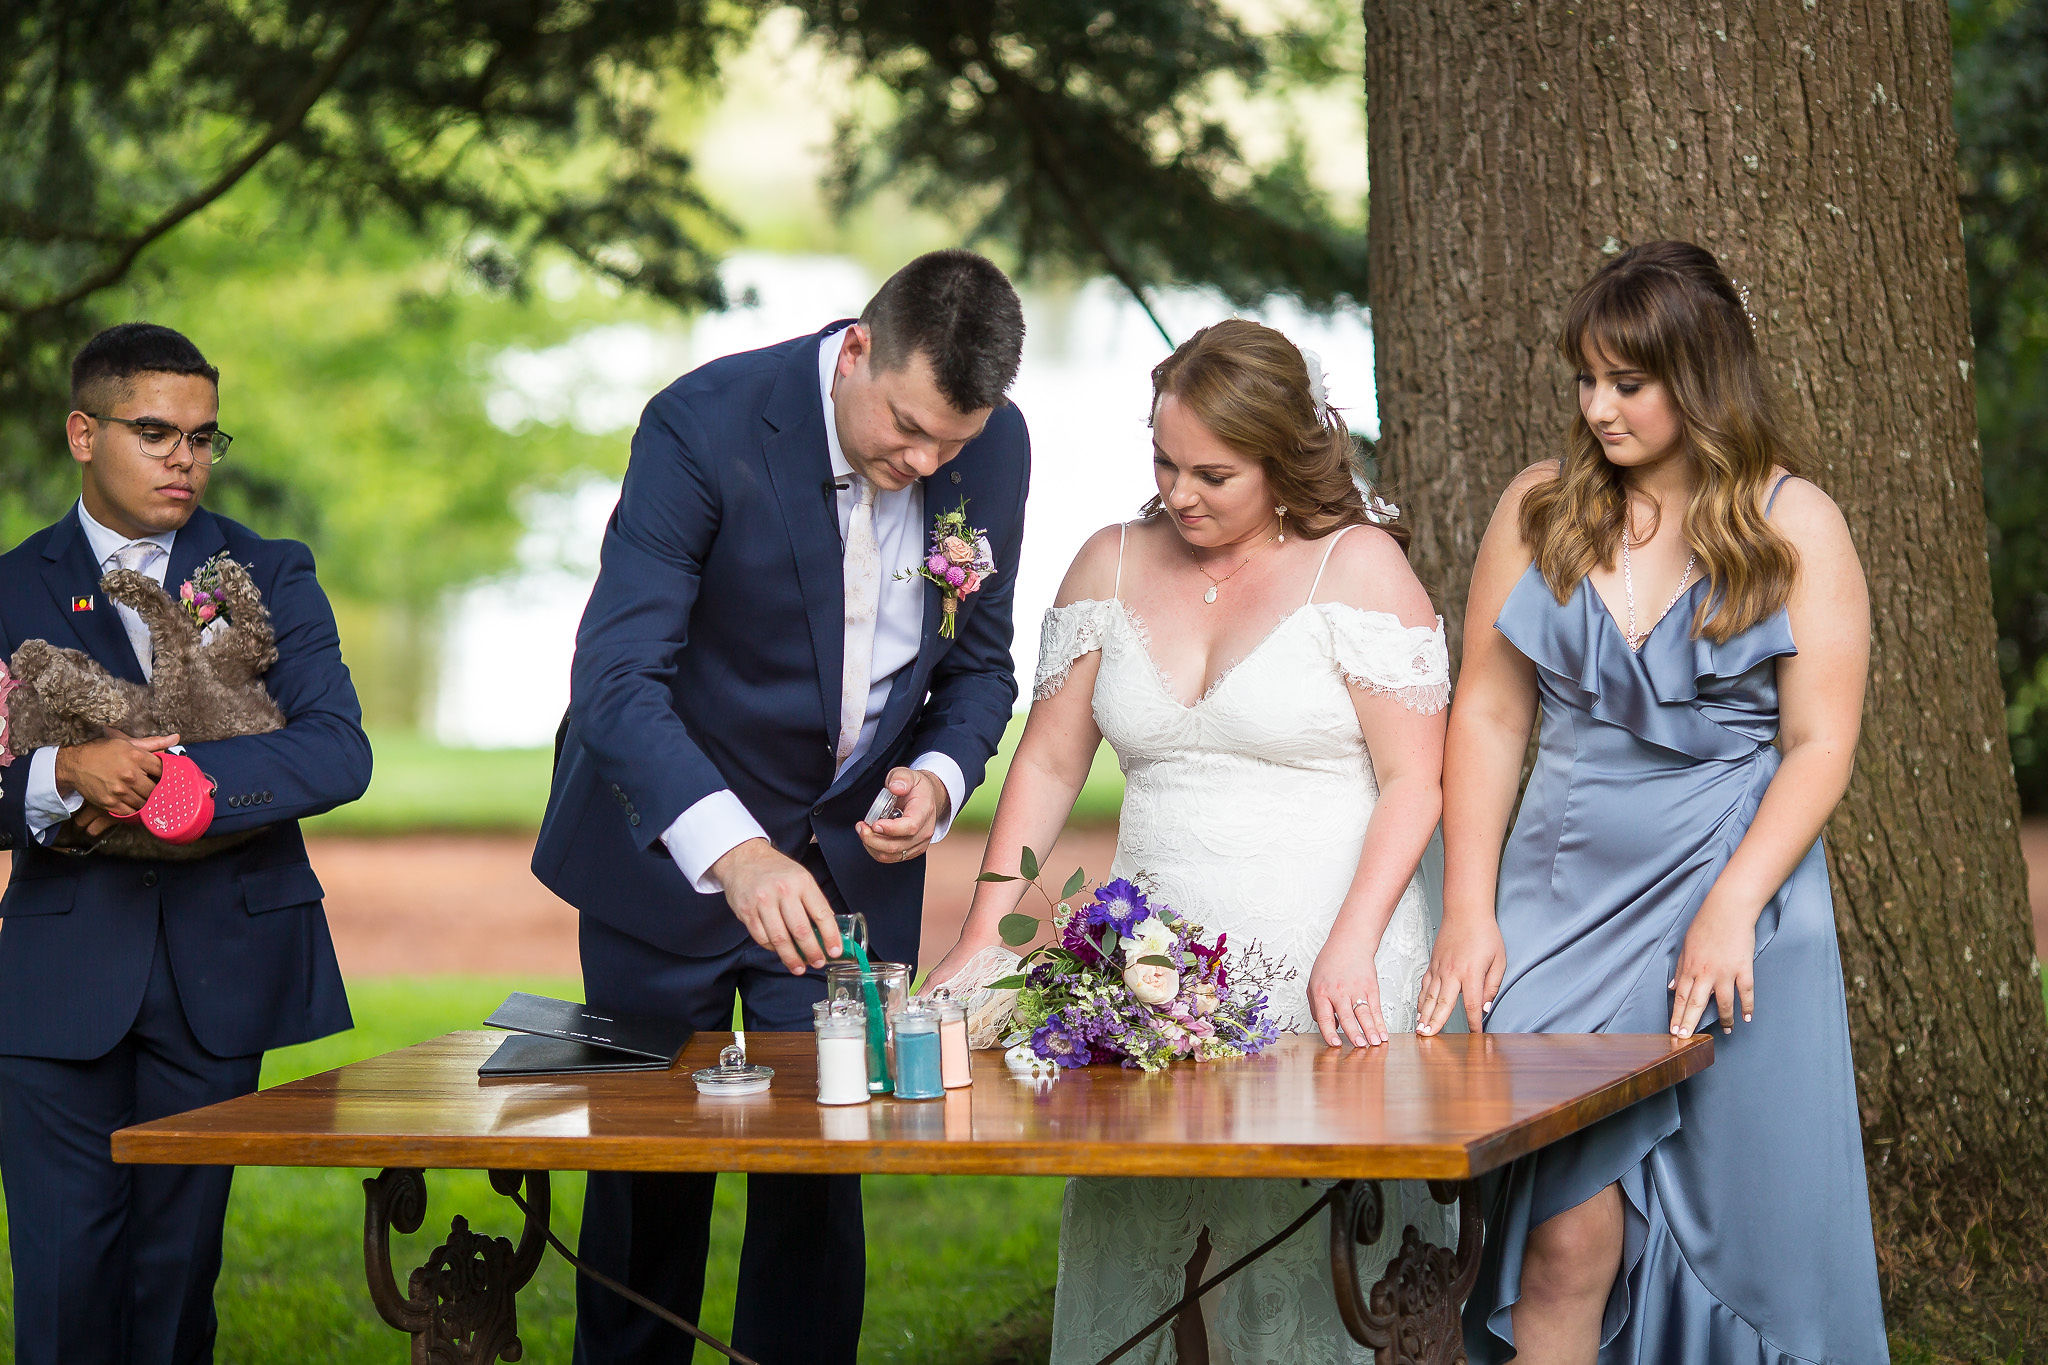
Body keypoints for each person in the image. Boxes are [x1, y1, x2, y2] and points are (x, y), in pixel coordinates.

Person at [532, 249, 1030, 1365]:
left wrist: (939, 778)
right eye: (905, 428)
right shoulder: (702, 426)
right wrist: (736, 853)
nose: (925, 462)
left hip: (852, 869)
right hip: (665, 853)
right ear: (855, 348)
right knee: (644, 1179)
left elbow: (981, 669)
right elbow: (615, 680)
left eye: (951, 443)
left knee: (818, 1178)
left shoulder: (989, 443)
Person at [928, 319, 1452, 1363]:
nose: (1179, 492)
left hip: (1326, 955)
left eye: (1212, 472)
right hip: (1150, 974)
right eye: (1162, 462)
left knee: (1315, 1257)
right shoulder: (1108, 564)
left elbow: (1411, 785)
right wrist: (987, 930)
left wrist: (1352, 943)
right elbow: (1043, 765)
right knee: (1147, 1249)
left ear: (1282, 457)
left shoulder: (1358, 570)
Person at [1423, 241, 1889, 1362]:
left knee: (1742, 1230)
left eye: (1624, 384)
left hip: (1731, 894)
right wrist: (1469, 908)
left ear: (1698, 378)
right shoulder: (1540, 510)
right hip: (1558, 897)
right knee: (1558, 1239)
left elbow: (1819, 741)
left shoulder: (1793, 522)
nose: (1596, 408)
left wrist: (1732, 907)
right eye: (1584, 380)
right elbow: (1489, 716)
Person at [0, 322, 368, 1365]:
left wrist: (181, 787)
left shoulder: (268, 572)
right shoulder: (7, 588)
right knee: (64, 1278)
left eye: (205, 438)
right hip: (56, 973)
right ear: (83, 431)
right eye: (156, 432)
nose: (184, 459)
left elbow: (337, 752)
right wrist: (62, 775)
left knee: (177, 1280)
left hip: (221, 965)